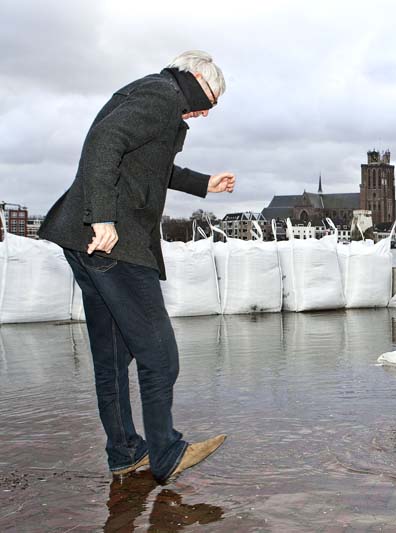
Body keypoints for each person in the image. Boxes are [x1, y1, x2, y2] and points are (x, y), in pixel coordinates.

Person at [39, 50, 233, 482]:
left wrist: (204, 183)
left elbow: (148, 164)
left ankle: (125, 450)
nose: (204, 113)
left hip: (84, 242)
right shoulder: (162, 95)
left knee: (110, 358)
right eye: (211, 100)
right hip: (115, 242)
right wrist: (103, 216)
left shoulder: (152, 92)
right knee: (159, 356)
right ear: (198, 77)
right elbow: (104, 143)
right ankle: (166, 452)